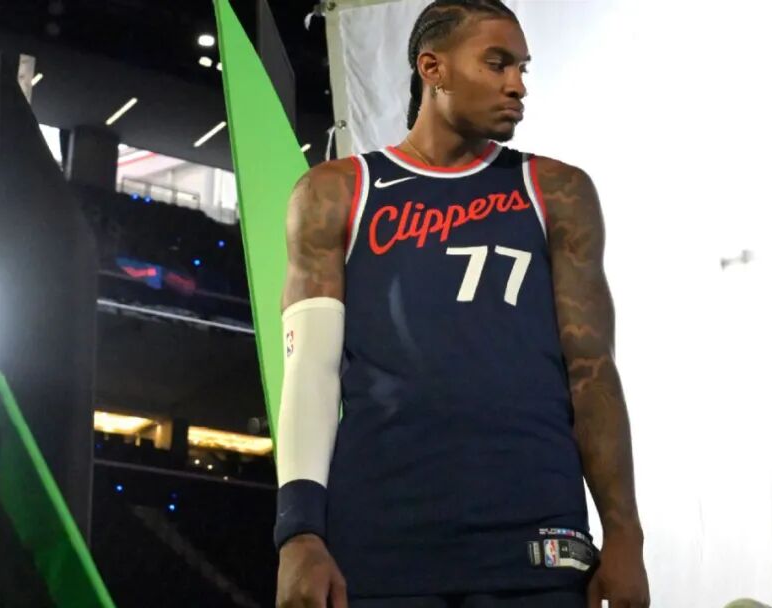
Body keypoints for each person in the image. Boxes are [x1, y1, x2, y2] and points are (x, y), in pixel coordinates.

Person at [274, 1, 649, 606]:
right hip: (380, 536)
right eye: (498, 63)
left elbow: (592, 370)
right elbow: (310, 371)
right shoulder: (336, 192)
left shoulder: (557, 190)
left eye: (522, 68)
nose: (517, 85)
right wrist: (299, 533)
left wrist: (625, 534)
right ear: (433, 69)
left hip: (536, 533)